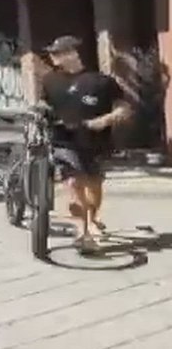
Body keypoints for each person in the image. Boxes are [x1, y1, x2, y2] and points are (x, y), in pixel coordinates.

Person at [39, 35, 131, 253]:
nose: (53, 57)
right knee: (72, 183)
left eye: (57, 52)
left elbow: (124, 109)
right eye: (52, 53)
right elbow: (44, 102)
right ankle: (82, 230)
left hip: (94, 141)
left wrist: (105, 120)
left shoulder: (101, 81)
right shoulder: (50, 80)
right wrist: (40, 109)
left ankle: (93, 219)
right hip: (63, 140)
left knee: (94, 185)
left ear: (73, 53)